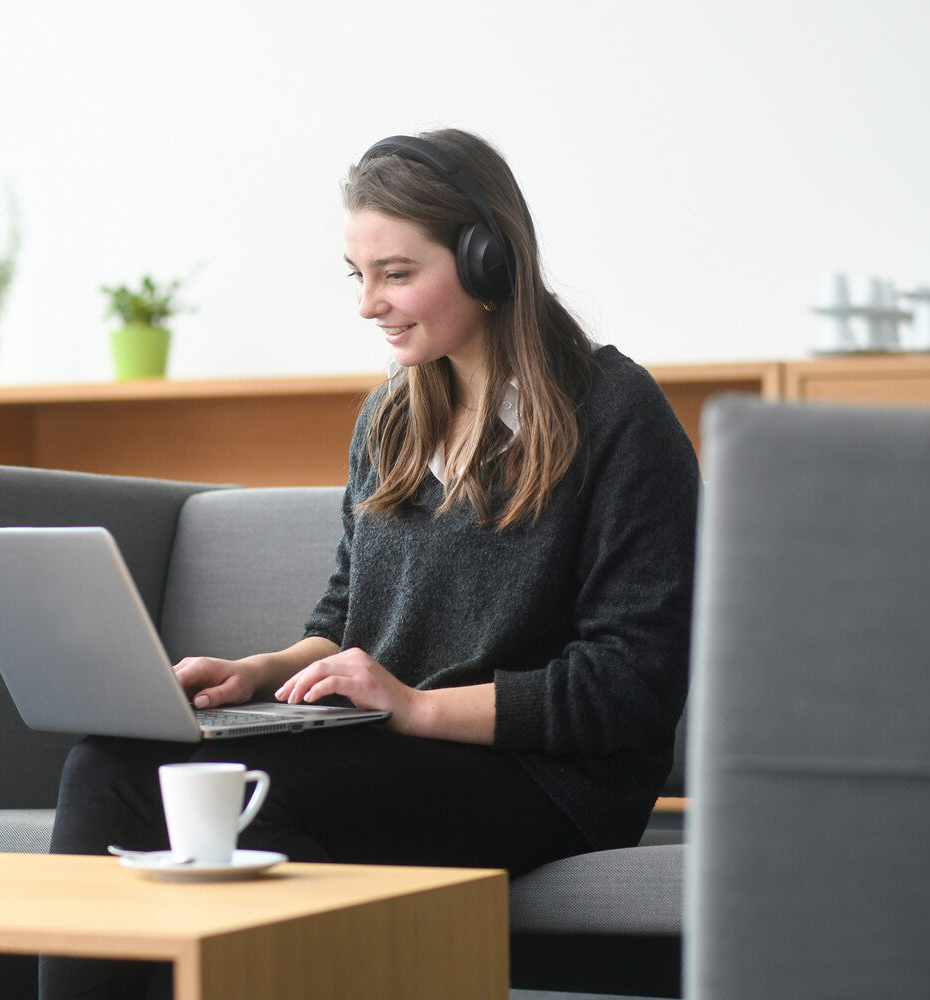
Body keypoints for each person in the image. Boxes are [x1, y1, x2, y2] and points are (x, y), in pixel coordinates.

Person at [39, 128, 699, 1000]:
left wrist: (416, 707)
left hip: (544, 781)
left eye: (396, 273)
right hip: (392, 749)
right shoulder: (392, 417)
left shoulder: (617, 414)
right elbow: (346, 621)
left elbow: (627, 686)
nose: (369, 305)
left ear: (489, 260)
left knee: (248, 802)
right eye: (359, 276)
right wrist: (260, 673)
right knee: (110, 762)